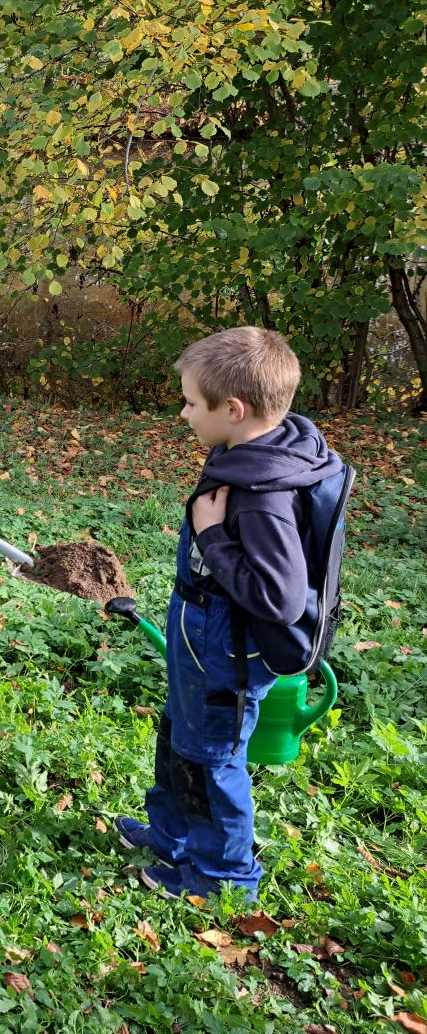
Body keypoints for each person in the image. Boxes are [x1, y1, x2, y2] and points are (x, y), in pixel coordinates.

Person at [117, 327, 344, 902]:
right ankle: (171, 836)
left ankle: (222, 876)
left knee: (210, 757)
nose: (184, 413)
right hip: (199, 630)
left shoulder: (264, 496)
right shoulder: (251, 449)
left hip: (227, 646)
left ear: (234, 409)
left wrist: (212, 536)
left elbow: (280, 599)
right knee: (179, 733)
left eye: (192, 403)